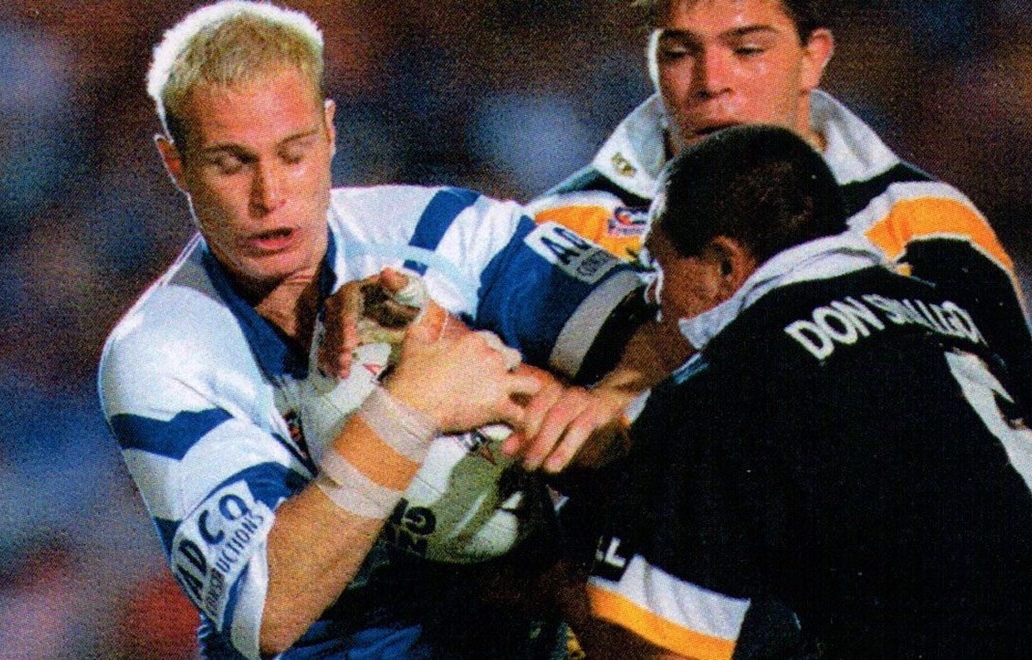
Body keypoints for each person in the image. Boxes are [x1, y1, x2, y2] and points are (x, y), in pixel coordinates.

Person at [98, 2, 655, 657]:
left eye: (294, 153)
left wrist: (528, 391)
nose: (269, 195)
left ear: (330, 132)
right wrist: (410, 408)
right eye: (231, 163)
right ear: (175, 163)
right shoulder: (159, 351)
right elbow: (266, 609)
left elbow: (683, 345)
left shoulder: (445, 231)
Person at [553, 124, 1032, 659]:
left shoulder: (729, 380)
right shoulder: (945, 312)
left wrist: (549, 572)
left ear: (724, 264)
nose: (653, 294)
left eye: (658, 265)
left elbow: (663, 649)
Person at [526, 0, 1032, 495]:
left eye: (747, 50)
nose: (711, 81)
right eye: (678, 53)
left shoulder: (931, 225)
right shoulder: (559, 229)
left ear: (813, 56)